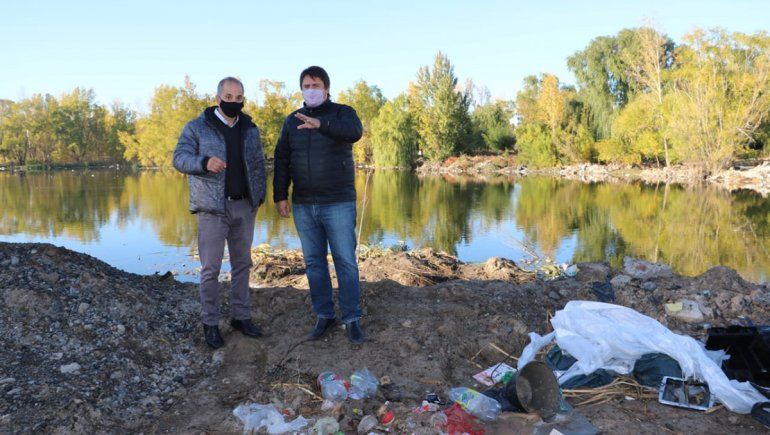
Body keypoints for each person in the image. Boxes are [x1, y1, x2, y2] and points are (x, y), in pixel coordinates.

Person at [273, 66, 365, 344]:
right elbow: (281, 159)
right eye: (306, 85)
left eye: (316, 85)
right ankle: (324, 315)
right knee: (314, 263)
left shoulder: (342, 113)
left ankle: (352, 318)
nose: (310, 89)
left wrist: (321, 125)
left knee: (345, 261)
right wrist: (280, 195)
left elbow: (354, 132)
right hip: (304, 204)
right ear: (301, 89)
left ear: (326, 88)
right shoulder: (291, 122)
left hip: (337, 202)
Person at [173, 77, 266, 349]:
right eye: (229, 96)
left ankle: (241, 317)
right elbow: (179, 158)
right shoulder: (197, 127)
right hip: (212, 209)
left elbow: (259, 164)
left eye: (239, 97)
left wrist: (257, 197)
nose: (234, 101)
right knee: (210, 269)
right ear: (217, 98)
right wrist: (203, 162)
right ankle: (210, 323)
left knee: (242, 264)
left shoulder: (250, 128)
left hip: (243, 206)